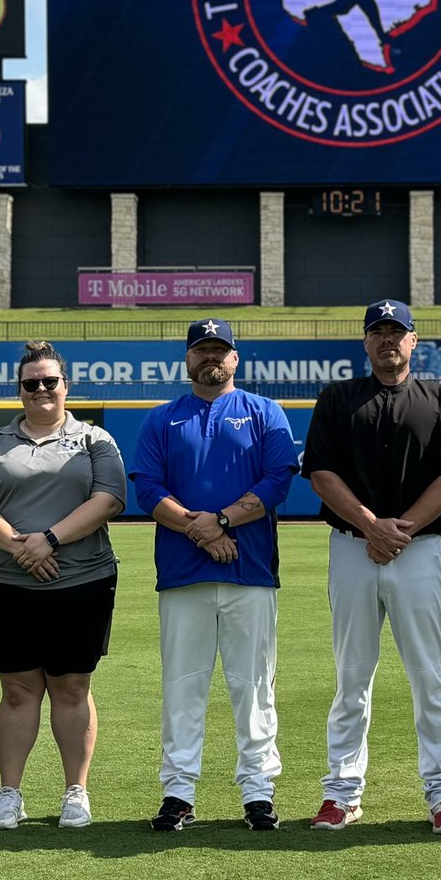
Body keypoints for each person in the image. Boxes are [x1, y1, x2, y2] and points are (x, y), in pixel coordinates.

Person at [302, 299, 441, 833]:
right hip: (353, 546)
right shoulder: (337, 398)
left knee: (429, 677)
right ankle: (342, 792)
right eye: (378, 331)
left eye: (397, 331)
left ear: (414, 341)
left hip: (418, 550)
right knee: (351, 678)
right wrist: (372, 524)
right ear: (365, 341)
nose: (387, 340)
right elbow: (321, 473)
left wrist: (399, 530)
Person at [130, 318, 299, 832]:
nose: (212, 358)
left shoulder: (264, 411)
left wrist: (222, 519)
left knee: (253, 686)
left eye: (220, 350)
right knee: (184, 685)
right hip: (184, 573)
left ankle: (258, 791)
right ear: (187, 358)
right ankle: (178, 792)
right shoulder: (163, 418)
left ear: (235, 358)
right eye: (202, 349)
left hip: (250, 570)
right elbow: (148, 490)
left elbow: (277, 481)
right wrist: (204, 531)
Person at [0, 341, 126, 831]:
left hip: (82, 581)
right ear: (20, 391)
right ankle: (9, 794)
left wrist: (49, 540)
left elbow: (111, 497)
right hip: (4, 582)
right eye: (31, 383)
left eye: (49, 381)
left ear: (65, 386)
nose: (41, 390)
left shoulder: (95, 440)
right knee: (16, 690)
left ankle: (76, 792)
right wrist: (19, 547)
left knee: (72, 687)